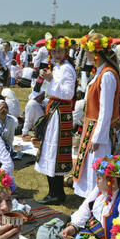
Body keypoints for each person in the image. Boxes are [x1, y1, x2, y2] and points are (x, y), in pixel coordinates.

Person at [72, 33, 120, 198]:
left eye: (86, 50)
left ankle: (97, 203)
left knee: (98, 170)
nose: (85, 54)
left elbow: (105, 110)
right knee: (90, 169)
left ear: (95, 52)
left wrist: (98, 137)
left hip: (98, 131)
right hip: (91, 128)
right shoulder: (101, 72)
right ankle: (90, 203)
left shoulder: (107, 75)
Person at [35, 37, 76, 204]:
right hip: (54, 110)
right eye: (54, 52)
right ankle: (54, 191)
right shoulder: (58, 67)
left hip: (61, 111)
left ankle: (57, 193)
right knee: (50, 150)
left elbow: (68, 94)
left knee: (55, 151)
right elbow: (52, 89)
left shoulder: (67, 69)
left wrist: (51, 80)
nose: (56, 54)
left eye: (59, 51)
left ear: (66, 52)